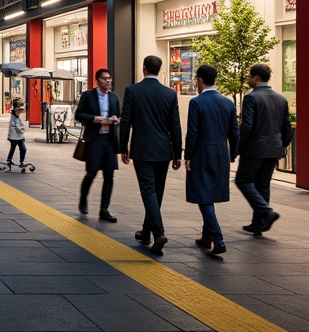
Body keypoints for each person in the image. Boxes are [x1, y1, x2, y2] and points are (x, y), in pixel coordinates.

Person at [118, 55, 182, 255]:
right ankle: (146, 232)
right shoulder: (169, 94)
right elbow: (176, 127)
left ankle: (158, 233)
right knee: (157, 191)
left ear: (144, 69)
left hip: (142, 149)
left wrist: (123, 147)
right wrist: (177, 153)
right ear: (160, 70)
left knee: (148, 191)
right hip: (163, 150)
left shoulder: (133, 91)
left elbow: (125, 122)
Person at [185, 64, 239, 255]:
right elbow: (234, 132)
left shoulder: (197, 103)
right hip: (220, 154)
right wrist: (233, 153)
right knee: (211, 193)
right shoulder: (228, 103)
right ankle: (206, 237)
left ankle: (218, 238)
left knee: (203, 195)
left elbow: (192, 133)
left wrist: (188, 155)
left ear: (199, 80)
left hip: (202, 154)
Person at [236, 62, 292, 237]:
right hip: (273, 149)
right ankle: (258, 223)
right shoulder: (280, 99)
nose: (248, 79)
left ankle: (266, 212)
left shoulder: (251, 98)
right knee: (263, 184)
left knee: (243, 180)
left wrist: (238, 147)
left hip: (254, 149)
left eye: (249, 76)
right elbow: (287, 127)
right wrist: (281, 145)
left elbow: (247, 127)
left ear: (256, 78)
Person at [75, 68, 121, 222]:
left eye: (110, 78)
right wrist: (95, 118)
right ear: (97, 80)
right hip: (94, 139)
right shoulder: (88, 95)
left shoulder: (114, 98)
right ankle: (83, 198)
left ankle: (104, 208)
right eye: (104, 79)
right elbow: (78, 114)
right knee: (92, 171)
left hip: (109, 139)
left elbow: (118, 116)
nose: (108, 81)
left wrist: (115, 119)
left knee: (109, 174)